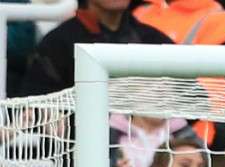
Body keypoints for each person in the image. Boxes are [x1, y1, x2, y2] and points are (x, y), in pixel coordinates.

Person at [19, 0, 172, 96]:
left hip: (151, 145)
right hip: (78, 145)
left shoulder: (153, 39)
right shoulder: (58, 43)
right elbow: (34, 107)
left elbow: (190, 104)